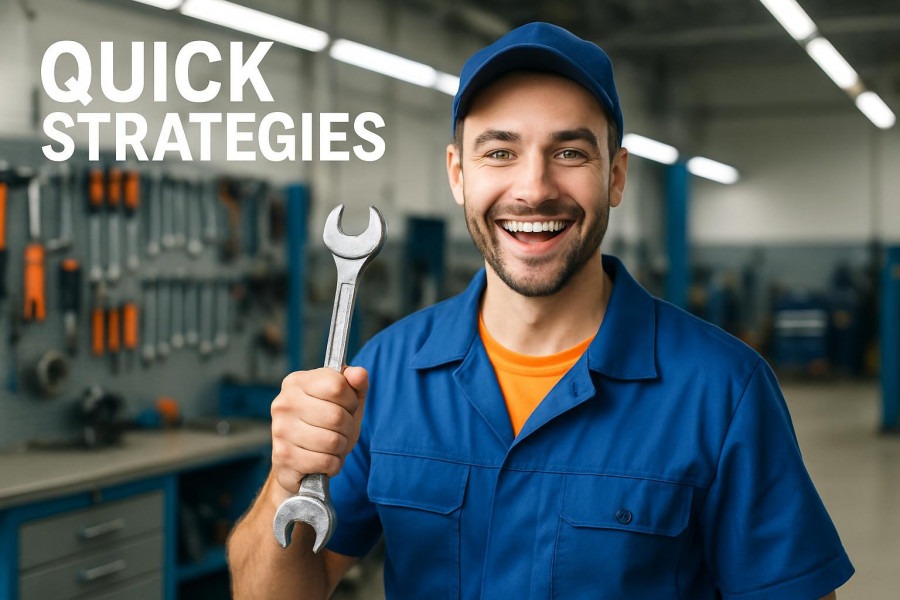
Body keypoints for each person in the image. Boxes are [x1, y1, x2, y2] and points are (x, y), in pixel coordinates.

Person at [227, 22, 854, 599]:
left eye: (570, 152)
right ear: (458, 174)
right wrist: (287, 480)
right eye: (499, 152)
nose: (533, 187)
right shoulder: (387, 372)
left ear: (615, 175)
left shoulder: (723, 390)